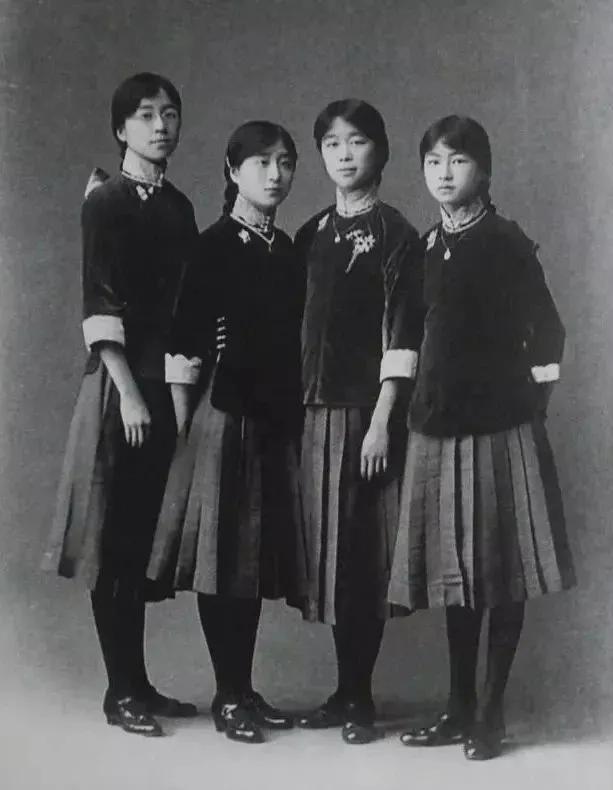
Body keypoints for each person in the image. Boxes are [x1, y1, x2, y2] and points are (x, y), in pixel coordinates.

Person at [388, 115, 576, 760]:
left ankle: (490, 715)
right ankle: (458, 707)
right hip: (437, 429)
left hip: (501, 429)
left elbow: (548, 332)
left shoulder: (506, 242)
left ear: (484, 171)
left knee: (501, 572)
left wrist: (527, 404)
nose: (444, 173)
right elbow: (405, 335)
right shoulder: (423, 249)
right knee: (457, 571)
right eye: (433, 162)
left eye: (458, 160)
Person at [42, 73, 199, 736]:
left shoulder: (178, 208)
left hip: (164, 386)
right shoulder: (104, 202)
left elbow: (186, 310)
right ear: (120, 129)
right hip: (119, 389)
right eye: (145, 115)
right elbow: (99, 300)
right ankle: (119, 692)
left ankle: (139, 684)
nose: (160, 126)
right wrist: (130, 394)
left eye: (170, 114)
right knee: (114, 539)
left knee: (140, 538)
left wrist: (180, 395)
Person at [147, 121, 304, 744]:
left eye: (285, 162)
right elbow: (183, 340)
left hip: (271, 421)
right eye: (261, 162)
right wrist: (188, 427)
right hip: (221, 414)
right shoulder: (211, 246)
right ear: (233, 172)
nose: (275, 174)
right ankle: (228, 694)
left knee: (252, 557)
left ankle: (244, 687)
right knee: (222, 557)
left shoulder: (286, 249)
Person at [294, 99, 423, 744]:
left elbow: (403, 332)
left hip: (366, 417)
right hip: (312, 414)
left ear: (382, 151)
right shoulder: (310, 233)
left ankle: (359, 697)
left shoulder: (397, 234)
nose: (344, 155)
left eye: (357, 141)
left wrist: (381, 419)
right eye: (332, 144)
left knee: (360, 555)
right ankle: (343, 692)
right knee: (330, 556)